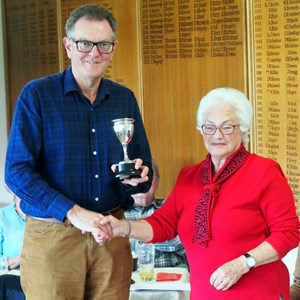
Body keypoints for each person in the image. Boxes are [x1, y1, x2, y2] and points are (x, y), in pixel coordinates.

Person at [5, 4, 152, 300]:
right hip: (53, 238)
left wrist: (139, 178)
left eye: (104, 44)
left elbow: (141, 168)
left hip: (110, 236)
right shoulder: (37, 95)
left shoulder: (124, 99)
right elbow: (16, 172)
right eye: (84, 43)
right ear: (68, 46)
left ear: (113, 48)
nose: (94, 53)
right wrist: (73, 213)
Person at [99, 87, 299, 299]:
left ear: (244, 129)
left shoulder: (264, 171)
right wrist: (122, 227)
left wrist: (243, 263)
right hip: (205, 293)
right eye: (209, 127)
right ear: (201, 130)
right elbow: (162, 224)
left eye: (227, 127)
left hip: (258, 293)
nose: (217, 135)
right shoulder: (188, 176)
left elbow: (288, 233)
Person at [125, 160, 187, 268]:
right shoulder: (117, 213)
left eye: (148, 177)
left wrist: (136, 232)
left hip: (171, 279)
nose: (141, 183)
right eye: (136, 177)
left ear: (157, 182)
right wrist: (160, 234)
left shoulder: (172, 207)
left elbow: (184, 245)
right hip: (130, 281)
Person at [0, 191, 25, 270]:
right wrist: (18, 259)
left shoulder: (50, 216)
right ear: (11, 190)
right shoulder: (2, 216)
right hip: (13, 277)